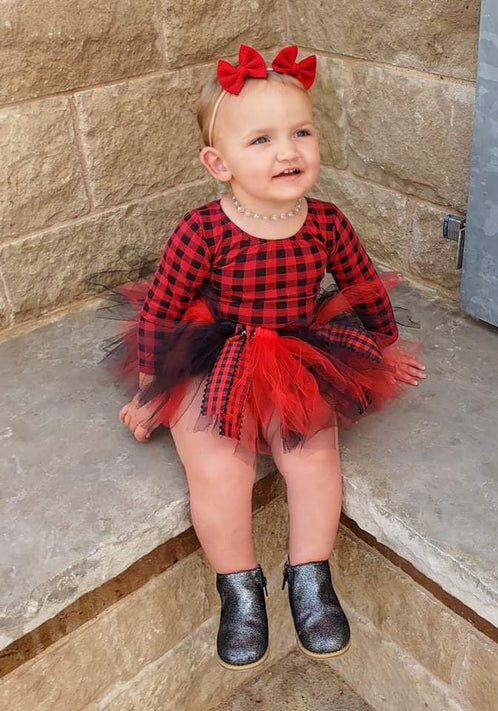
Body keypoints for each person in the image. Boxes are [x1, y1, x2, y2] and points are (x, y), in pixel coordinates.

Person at [101, 43, 426, 671]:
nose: (288, 151)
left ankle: (310, 577)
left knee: (311, 457)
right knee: (220, 468)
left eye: (301, 131)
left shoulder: (327, 222)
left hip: (299, 350)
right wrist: (151, 390)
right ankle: (240, 590)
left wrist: (383, 349)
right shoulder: (203, 230)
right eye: (262, 140)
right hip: (214, 351)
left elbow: (360, 286)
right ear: (217, 163)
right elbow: (162, 311)